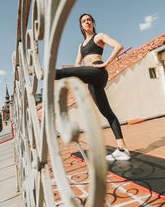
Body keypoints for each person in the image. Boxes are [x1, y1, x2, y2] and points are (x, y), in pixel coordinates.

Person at [55, 14, 130, 161]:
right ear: (81, 26)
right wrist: (82, 73)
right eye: (83, 21)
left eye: (88, 20)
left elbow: (118, 46)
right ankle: (122, 149)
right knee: (107, 113)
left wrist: (106, 63)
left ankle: (46, 73)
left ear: (93, 22)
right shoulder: (81, 46)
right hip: (90, 78)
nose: (86, 22)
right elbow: (77, 65)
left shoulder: (99, 36)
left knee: (65, 71)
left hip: (99, 72)